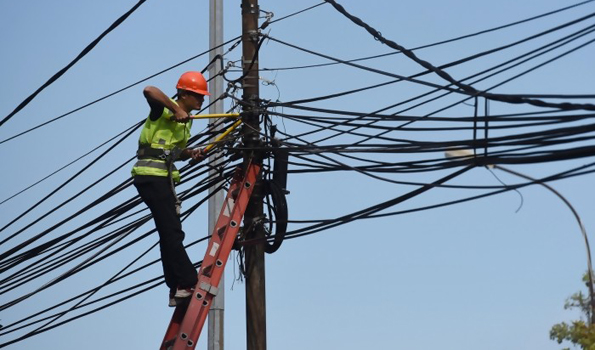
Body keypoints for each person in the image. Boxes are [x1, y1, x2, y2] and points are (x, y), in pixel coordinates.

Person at [131, 71, 209, 307]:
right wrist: (175, 109)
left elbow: (171, 152)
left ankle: (176, 287)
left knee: (168, 234)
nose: (202, 101)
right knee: (173, 233)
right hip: (152, 177)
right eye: (197, 96)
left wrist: (190, 153)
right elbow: (149, 90)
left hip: (161, 178)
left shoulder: (187, 122)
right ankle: (186, 281)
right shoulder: (163, 110)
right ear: (184, 94)